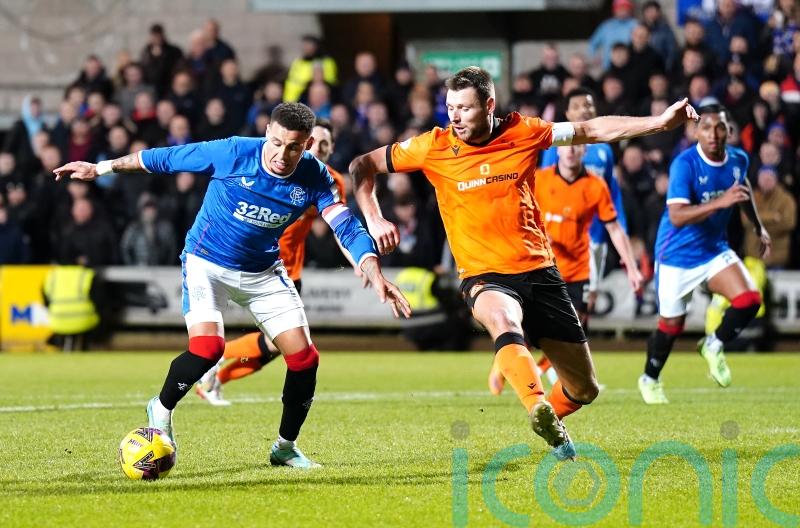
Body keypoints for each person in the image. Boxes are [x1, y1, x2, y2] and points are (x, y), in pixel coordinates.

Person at [349, 66, 697, 460]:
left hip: (540, 273)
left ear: (489, 105)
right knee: (502, 320)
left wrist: (659, 122)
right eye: (450, 107)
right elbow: (363, 165)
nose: (455, 117)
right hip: (484, 274)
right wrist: (374, 216)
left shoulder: (525, 132)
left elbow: (590, 130)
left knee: (585, 389)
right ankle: (537, 407)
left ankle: (553, 421)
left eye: (465, 108)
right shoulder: (434, 146)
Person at [53, 102, 410, 469]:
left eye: (294, 148)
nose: (282, 155)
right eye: (275, 142)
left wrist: (373, 270)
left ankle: (284, 447)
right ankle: (160, 407)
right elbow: (165, 158)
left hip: (263, 270)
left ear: (306, 145)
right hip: (206, 261)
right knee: (208, 348)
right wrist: (100, 167)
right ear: (266, 132)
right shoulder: (235, 152)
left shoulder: (317, 177)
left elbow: (346, 227)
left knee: (305, 359)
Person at [195, 118, 350, 406]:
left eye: (326, 143)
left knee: (277, 346)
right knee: (277, 343)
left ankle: (215, 378)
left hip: (292, 271)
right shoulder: (273, 169)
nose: (320, 148)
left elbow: (339, 225)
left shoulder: (329, 182)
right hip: (260, 266)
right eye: (314, 141)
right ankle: (214, 359)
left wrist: (359, 259)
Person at [639, 104, 770, 405]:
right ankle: (650, 377)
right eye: (707, 127)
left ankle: (713, 344)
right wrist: (720, 202)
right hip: (676, 255)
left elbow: (743, 187)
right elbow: (677, 216)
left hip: (713, 250)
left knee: (750, 300)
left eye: (720, 127)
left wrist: (758, 226)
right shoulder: (684, 165)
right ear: (696, 132)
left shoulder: (738, 159)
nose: (713, 134)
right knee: (671, 326)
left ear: (729, 131)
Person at [488, 143, 642, 395]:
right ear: (557, 150)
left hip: (577, 271)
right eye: (565, 147)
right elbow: (515, 213)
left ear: (585, 151)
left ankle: (544, 375)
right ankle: (504, 363)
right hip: (539, 266)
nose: (570, 151)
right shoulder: (539, 178)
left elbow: (613, 227)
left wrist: (632, 267)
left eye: (577, 147)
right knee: (529, 329)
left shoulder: (595, 185)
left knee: (573, 333)